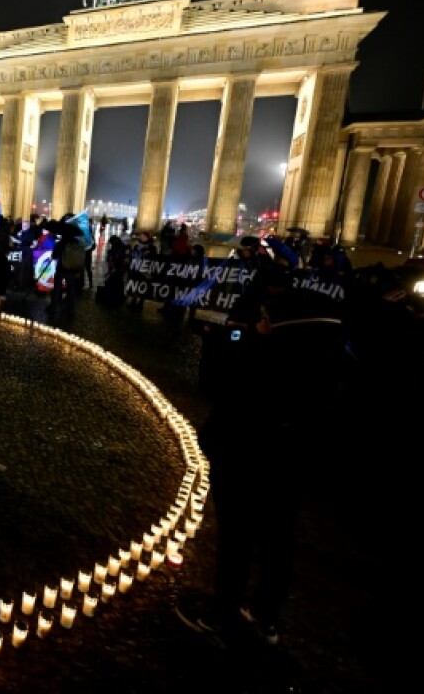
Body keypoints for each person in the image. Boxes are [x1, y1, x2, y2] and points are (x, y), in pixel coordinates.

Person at [176, 264, 347, 649]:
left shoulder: (266, 365)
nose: (263, 324)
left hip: (245, 464)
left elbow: (229, 402)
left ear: (288, 326)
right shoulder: (327, 370)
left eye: (270, 320)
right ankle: (265, 614)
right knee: (278, 542)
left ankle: (221, 614)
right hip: (289, 473)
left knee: (236, 541)